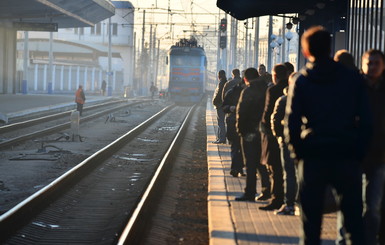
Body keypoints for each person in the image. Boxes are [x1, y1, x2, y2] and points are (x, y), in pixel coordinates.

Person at [285, 26, 371, 245]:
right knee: (353, 220)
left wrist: (298, 153)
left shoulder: (302, 80)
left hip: (313, 155)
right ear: (330, 48)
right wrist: (359, 152)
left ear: (306, 51)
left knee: (311, 223)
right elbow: (366, 119)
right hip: (346, 153)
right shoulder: (353, 79)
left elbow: (292, 122)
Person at [361, 49, 385, 245]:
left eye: (376, 63)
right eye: (369, 63)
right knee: (350, 204)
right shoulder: (355, 88)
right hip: (355, 154)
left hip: (379, 157)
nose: (372, 67)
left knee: (373, 205)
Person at [235, 67, 270, 201]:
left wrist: (241, 130)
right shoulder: (267, 89)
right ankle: (267, 190)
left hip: (249, 133)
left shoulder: (247, 91)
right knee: (262, 163)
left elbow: (242, 112)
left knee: (250, 163)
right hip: (263, 132)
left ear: (245, 79)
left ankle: (250, 192)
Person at [259, 64, 288, 211]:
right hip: (289, 135)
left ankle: (276, 199)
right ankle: (287, 200)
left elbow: (267, 114)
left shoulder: (273, 90)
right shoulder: (292, 88)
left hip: (273, 135)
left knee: (274, 169)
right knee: (287, 171)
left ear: (275, 76)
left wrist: (264, 131)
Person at [271, 71, 298, 216]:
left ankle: (289, 204)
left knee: (289, 174)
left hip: (287, 142)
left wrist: (279, 137)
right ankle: (297, 203)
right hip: (303, 143)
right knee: (300, 174)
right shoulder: (310, 99)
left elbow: (274, 120)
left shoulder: (283, 99)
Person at [222, 69, 245, 177]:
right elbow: (224, 106)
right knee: (236, 147)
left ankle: (238, 168)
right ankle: (236, 168)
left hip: (246, 124)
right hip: (234, 123)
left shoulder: (253, 92)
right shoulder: (232, 92)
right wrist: (230, 108)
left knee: (240, 148)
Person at [212, 70, 227, 144]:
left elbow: (219, 94)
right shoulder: (226, 82)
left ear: (219, 75)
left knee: (220, 122)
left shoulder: (221, 83)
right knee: (222, 122)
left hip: (220, 105)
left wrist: (214, 101)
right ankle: (220, 138)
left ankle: (221, 138)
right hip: (225, 105)